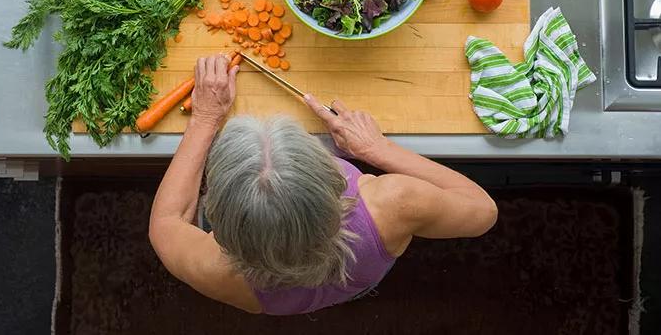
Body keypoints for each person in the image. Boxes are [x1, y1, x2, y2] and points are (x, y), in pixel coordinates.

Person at [149, 54, 498, 315]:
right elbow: (482, 209)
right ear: (331, 178)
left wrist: (205, 119)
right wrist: (377, 149)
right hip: (360, 274)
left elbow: (166, 221)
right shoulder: (395, 202)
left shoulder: (214, 269)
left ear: (218, 214)